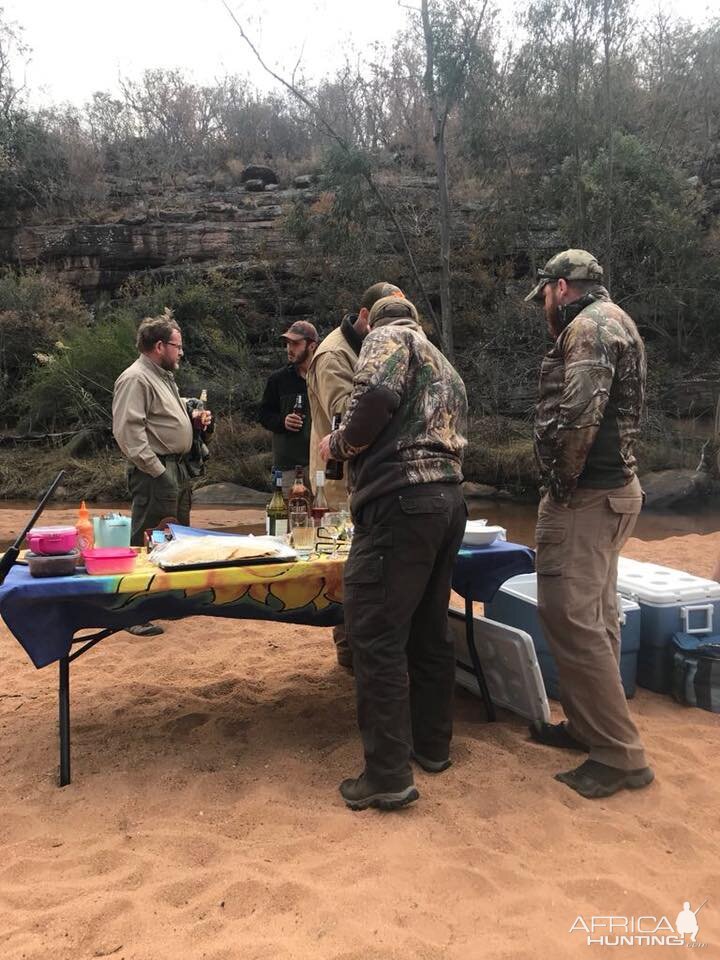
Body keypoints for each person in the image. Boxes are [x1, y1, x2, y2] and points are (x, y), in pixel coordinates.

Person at [319, 294, 468, 811]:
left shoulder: (386, 338)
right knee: (430, 627)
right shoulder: (441, 360)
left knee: (375, 631)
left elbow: (375, 400)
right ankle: (433, 745)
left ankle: (386, 774)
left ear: (370, 320)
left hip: (400, 502)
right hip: (449, 501)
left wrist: (337, 444)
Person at [524, 248, 654, 799]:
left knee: (570, 619)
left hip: (587, 497)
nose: (544, 308)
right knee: (598, 617)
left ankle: (619, 755)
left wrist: (560, 485)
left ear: (559, 287)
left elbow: (578, 418)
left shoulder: (589, 330)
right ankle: (588, 728)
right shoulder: (618, 319)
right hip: (617, 491)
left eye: (545, 297)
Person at [307, 281, 404, 672]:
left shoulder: (376, 345)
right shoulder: (333, 354)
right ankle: (349, 651)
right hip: (340, 477)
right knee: (350, 565)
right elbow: (347, 416)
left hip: (373, 475)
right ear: (365, 316)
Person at [112, 310, 212, 635]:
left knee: (174, 537)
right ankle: (132, 613)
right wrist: (157, 471)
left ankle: (164, 602)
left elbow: (162, 414)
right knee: (148, 537)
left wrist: (192, 417)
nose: (181, 352)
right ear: (159, 346)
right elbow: (129, 432)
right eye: (177, 346)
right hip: (156, 470)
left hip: (175, 468)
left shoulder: (161, 375)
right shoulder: (135, 378)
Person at [258, 321, 319, 494]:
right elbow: (263, 414)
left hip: (319, 463)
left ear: (312, 346)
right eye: (288, 343)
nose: (289, 349)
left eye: (296, 343)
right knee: (286, 518)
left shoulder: (325, 376)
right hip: (287, 466)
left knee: (322, 517)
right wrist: (282, 421)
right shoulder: (278, 379)